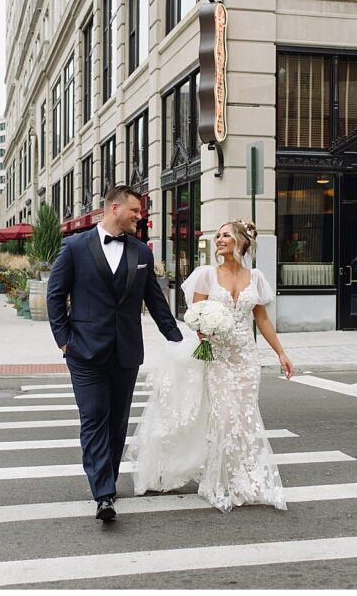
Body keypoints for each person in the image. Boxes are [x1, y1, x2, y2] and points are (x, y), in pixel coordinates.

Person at [129, 220, 294, 513]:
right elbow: (196, 314)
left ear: (241, 241)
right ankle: (218, 480)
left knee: (244, 419)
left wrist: (281, 353)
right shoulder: (206, 275)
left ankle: (243, 477)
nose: (219, 240)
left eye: (225, 235)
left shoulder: (255, 277)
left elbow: (263, 320)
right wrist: (202, 329)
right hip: (217, 357)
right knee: (222, 416)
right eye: (217, 236)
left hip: (245, 357)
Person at [46, 185, 182, 522]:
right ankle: (104, 493)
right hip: (85, 352)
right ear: (115, 208)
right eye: (135, 210)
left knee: (117, 423)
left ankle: (107, 478)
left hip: (126, 352)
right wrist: (64, 340)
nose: (140, 216)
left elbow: (155, 300)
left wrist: (179, 338)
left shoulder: (142, 253)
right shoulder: (75, 247)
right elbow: (54, 295)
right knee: (94, 418)